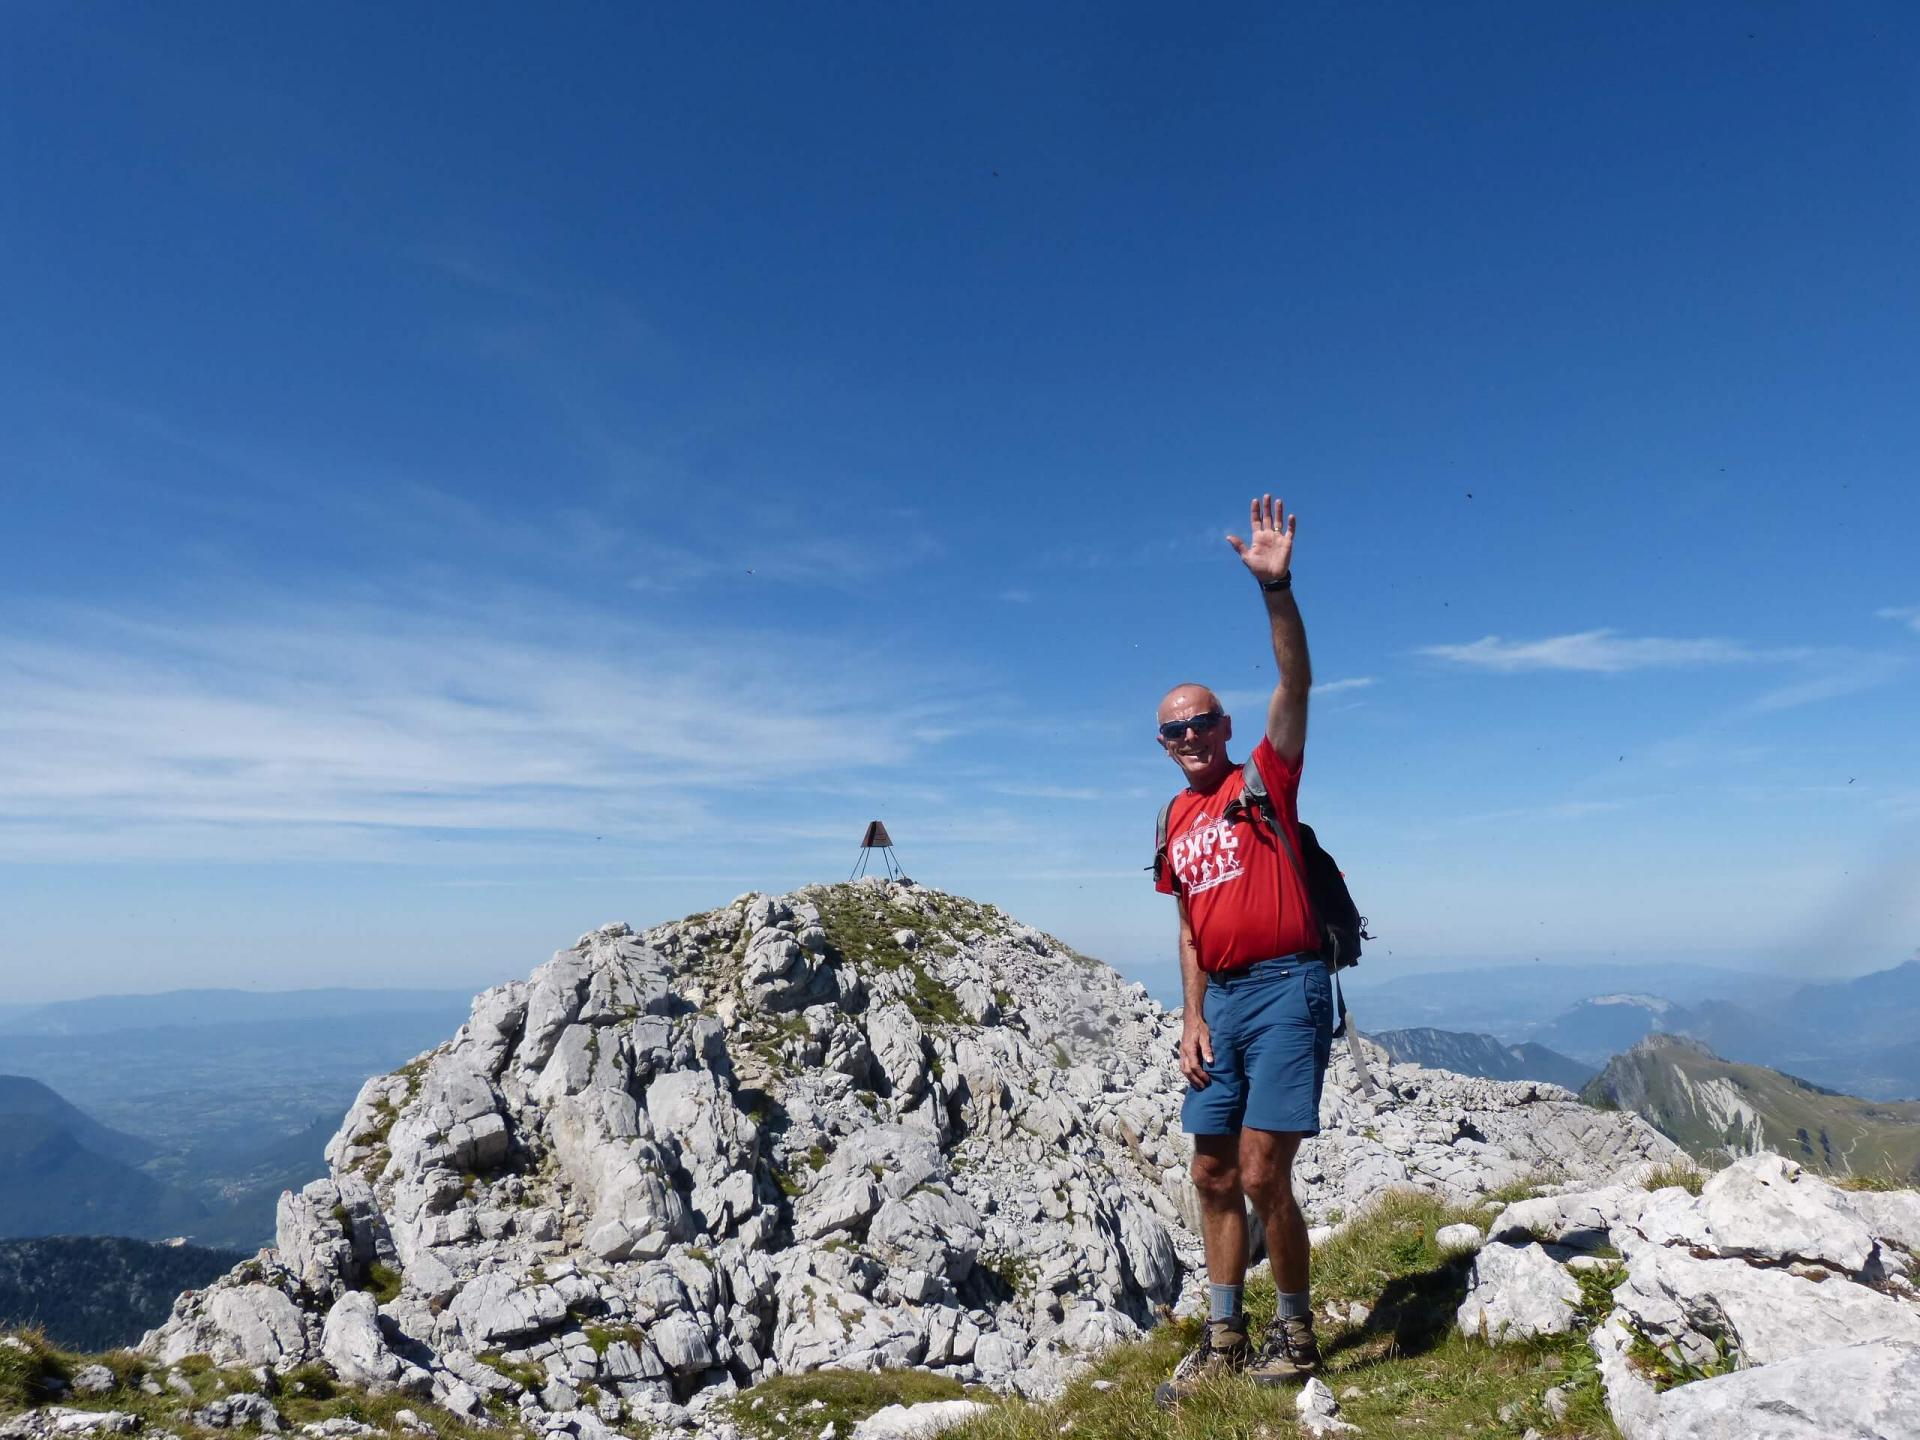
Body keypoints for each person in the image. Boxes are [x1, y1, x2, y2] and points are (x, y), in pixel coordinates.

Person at [1152, 495, 1332, 1407]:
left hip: (1288, 988)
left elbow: (1295, 685)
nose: (1187, 738)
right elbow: (1186, 920)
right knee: (1212, 1171)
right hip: (1218, 1003)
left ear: (1224, 727)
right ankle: (1224, 1335)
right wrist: (1189, 1014)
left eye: (1199, 723)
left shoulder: (1265, 775)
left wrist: (1277, 590)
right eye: (1171, 731)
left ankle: (1294, 1330)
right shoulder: (1175, 818)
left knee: (1264, 1172)